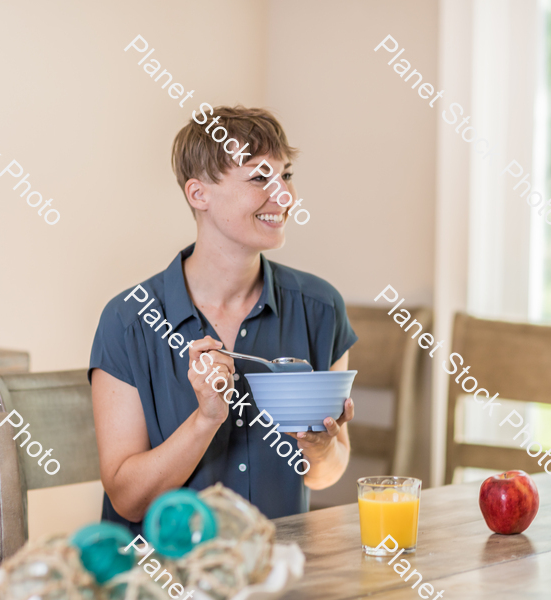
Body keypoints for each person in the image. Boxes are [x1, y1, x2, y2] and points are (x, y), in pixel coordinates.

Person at [88, 105, 357, 534]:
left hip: (275, 577)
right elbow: (127, 500)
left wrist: (320, 447)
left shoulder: (319, 308)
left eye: (285, 176)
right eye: (259, 178)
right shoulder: (128, 321)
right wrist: (206, 420)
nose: (284, 195)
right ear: (199, 194)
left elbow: (325, 473)